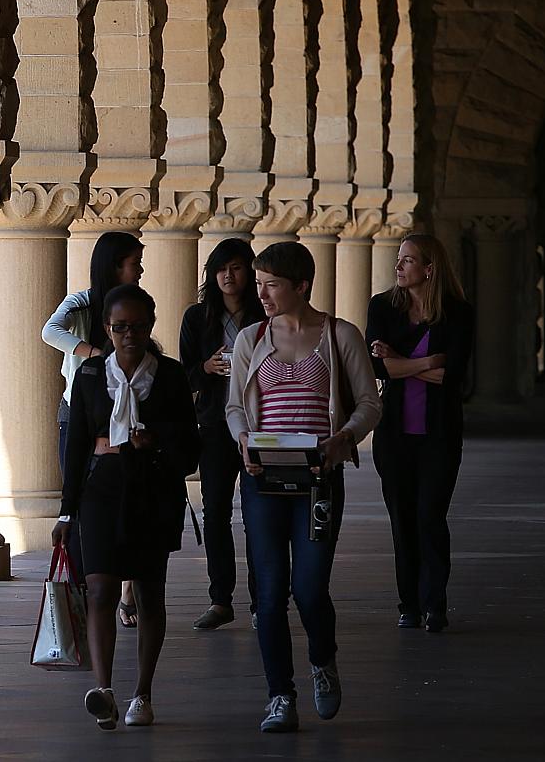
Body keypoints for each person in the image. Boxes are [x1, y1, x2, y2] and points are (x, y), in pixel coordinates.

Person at [225, 241, 381, 733]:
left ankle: (322, 661)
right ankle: (280, 695)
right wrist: (243, 440)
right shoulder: (253, 338)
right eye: (259, 284)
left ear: (302, 286)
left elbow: (370, 404)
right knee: (268, 594)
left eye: (271, 285)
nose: (262, 293)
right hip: (263, 479)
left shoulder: (339, 336)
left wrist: (344, 438)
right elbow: (234, 408)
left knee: (309, 588)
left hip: (317, 480)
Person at [51, 284, 200, 730]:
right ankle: (105, 689)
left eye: (137, 326)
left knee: (150, 593)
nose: (129, 335)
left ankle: (143, 693)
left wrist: (155, 441)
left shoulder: (171, 376)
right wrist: (65, 511)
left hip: (152, 487)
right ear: (107, 329)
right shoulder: (92, 374)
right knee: (99, 588)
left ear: (151, 326)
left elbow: (189, 449)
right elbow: (75, 446)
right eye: (120, 328)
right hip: (102, 487)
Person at [365, 233, 474, 634]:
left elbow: (452, 375)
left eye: (408, 260)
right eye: (399, 259)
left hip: (439, 434)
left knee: (430, 515)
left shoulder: (458, 313)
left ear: (429, 268)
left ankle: (435, 604)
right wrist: (426, 362)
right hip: (394, 434)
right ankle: (408, 604)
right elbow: (376, 369)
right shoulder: (382, 307)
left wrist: (398, 360)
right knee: (402, 520)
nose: (399, 267)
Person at [42, 231, 144, 624]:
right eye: (134, 262)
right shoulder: (83, 301)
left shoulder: (135, 306)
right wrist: (94, 352)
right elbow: (50, 331)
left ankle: (126, 587)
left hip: (125, 417)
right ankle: (85, 596)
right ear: (115, 264)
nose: (140, 269)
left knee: (126, 501)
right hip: (79, 414)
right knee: (80, 502)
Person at [179, 239, 265, 631]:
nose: (228, 276)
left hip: (259, 424)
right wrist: (207, 367)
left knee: (257, 515)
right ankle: (220, 599)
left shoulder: (265, 314)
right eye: (220, 269)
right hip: (214, 424)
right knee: (215, 512)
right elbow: (183, 376)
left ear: (249, 272)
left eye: (236, 268)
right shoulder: (198, 318)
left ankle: (262, 600)